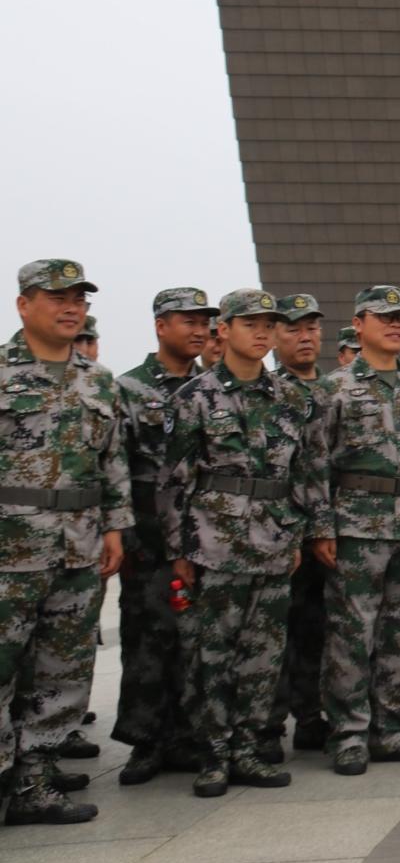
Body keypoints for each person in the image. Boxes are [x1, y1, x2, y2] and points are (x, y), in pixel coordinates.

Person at [162, 288, 321, 797]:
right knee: (213, 653)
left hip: (273, 542)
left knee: (263, 654)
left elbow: (302, 475)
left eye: (268, 324)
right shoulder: (194, 398)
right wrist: (179, 549)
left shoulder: (291, 398)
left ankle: (249, 747)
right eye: (249, 323)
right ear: (223, 330)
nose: (261, 332)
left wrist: (296, 533)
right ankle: (213, 753)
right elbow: (173, 482)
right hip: (215, 544)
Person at [304, 286, 400, 774]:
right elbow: (315, 462)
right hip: (356, 526)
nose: (395, 325)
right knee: (351, 632)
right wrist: (322, 525)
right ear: (359, 322)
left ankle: (392, 728)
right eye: (384, 317)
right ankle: (347, 733)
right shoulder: (334, 388)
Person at [1, 260, 128, 826]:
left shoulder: (97, 380)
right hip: (10, 549)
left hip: (78, 547)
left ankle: (35, 775)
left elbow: (112, 462)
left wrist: (114, 526)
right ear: (25, 304)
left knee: (65, 668)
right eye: (57, 296)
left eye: (78, 296)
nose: (70, 306)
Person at [111, 287, 213, 787]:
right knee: (147, 637)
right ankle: (145, 741)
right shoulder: (127, 389)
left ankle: (189, 736)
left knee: (195, 640)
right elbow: (114, 465)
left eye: (203, 322)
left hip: (202, 533)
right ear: (160, 326)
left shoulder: (212, 387)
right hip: (148, 534)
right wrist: (123, 533)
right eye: (186, 321)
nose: (198, 330)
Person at [264, 293, 328, 762]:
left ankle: (313, 717)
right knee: (273, 633)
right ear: (274, 337)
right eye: (293, 329)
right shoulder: (266, 393)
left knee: (323, 629)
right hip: (278, 533)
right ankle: (266, 725)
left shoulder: (337, 390)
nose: (304, 337)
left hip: (333, 533)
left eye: (311, 328)